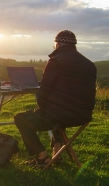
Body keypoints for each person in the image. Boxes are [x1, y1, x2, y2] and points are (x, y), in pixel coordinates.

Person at [14, 30, 97, 168]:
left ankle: (41, 157)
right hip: (83, 116)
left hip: (61, 115)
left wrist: (43, 108)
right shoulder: (90, 64)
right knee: (60, 111)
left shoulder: (56, 61)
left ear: (57, 45)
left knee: (20, 119)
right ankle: (57, 152)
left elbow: (43, 92)